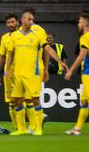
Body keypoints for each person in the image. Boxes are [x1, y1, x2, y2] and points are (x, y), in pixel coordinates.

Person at [5, 8, 68, 136]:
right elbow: (10, 54)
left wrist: (59, 61)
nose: (31, 21)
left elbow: (48, 49)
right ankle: (21, 129)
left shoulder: (38, 34)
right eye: (29, 19)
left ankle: (38, 127)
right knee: (17, 100)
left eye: (32, 19)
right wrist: (7, 69)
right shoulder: (15, 36)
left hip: (32, 73)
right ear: (22, 20)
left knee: (34, 99)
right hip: (17, 74)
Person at [0, 13, 19, 130]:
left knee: (25, 100)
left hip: (22, 72)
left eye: (12, 22)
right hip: (8, 73)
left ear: (17, 22)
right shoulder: (4, 37)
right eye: (8, 23)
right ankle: (17, 128)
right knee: (11, 102)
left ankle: (34, 124)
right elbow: (1, 57)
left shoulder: (23, 36)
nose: (10, 24)